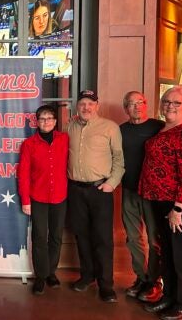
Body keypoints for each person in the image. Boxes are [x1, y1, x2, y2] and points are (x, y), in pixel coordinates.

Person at [120, 91, 182, 304]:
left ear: (146, 103)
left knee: (159, 242)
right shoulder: (123, 130)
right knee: (145, 242)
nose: (136, 107)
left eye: (140, 102)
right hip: (141, 192)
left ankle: (160, 286)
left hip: (167, 200)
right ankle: (150, 284)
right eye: (131, 104)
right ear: (125, 108)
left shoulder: (163, 126)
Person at [140, 86, 182, 320]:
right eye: (166, 101)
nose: (169, 106)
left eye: (176, 103)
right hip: (159, 199)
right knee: (167, 251)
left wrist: (178, 209)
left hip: (179, 205)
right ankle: (169, 296)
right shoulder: (163, 127)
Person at [67, 90, 124, 303]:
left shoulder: (110, 127)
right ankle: (87, 276)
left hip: (100, 190)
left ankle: (106, 285)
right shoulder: (69, 127)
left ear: (97, 106)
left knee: (102, 239)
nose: (86, 108)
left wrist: (111, 183)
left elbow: (119, 160)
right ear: (77, 106)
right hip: (75, 190)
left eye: (90, 104)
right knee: (81, 235)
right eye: (82, 103)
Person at [17, 105, 69, 295]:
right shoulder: (29, 144)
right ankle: (40, 276)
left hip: (60, 196)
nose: (46, 122)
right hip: (37, 197)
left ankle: (51, 273)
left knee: (55, 236)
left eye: (49, 118)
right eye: (42, 119)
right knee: (39, 237)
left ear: (55, 122)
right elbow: (23, 174)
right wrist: (25, 200)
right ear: (36, 122)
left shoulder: (64, 139)